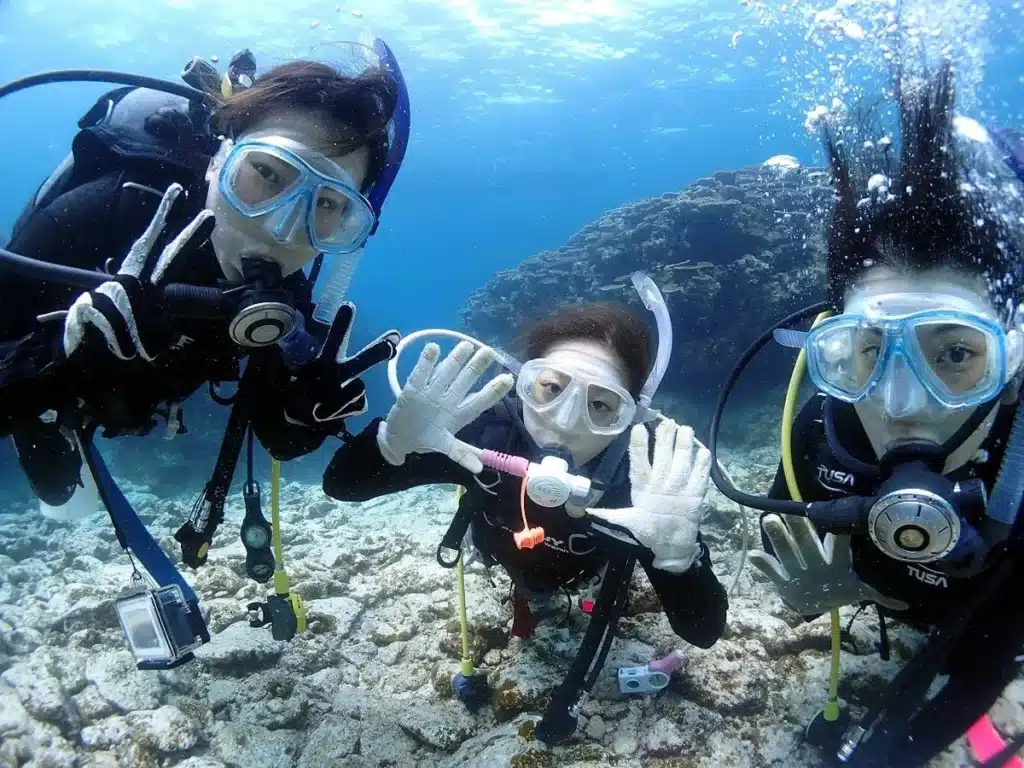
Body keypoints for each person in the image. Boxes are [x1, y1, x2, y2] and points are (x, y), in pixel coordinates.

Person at [0, 41, 410, 669]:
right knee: (54, 478)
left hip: (138, 398)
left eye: (329, 207)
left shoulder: (289, 297)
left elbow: (278, 437)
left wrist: (303, 413)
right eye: (267, 174)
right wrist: (59, 363)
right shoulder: (107, 210)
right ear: (221, 158)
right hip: (54, 394)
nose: (281, 228)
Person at [709, 62, 1024, 767]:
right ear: (832, 347)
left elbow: (987, 662)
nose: (900, 403)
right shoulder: (820, 438)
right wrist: (843, 588)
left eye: (955, 354)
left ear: (1012, 359)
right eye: (868, 351)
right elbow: (789, 547)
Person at [323, 293, 729, 742]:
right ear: (523, 383)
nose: (565, 422)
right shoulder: (485, 434)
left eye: (601, 405)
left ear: (630, 416)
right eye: (551, 389)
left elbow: (703, 632)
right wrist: (390, 444)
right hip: (501, 558)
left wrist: (677, 558)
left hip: (586, 576)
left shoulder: (643, 483)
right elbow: (343, 486)